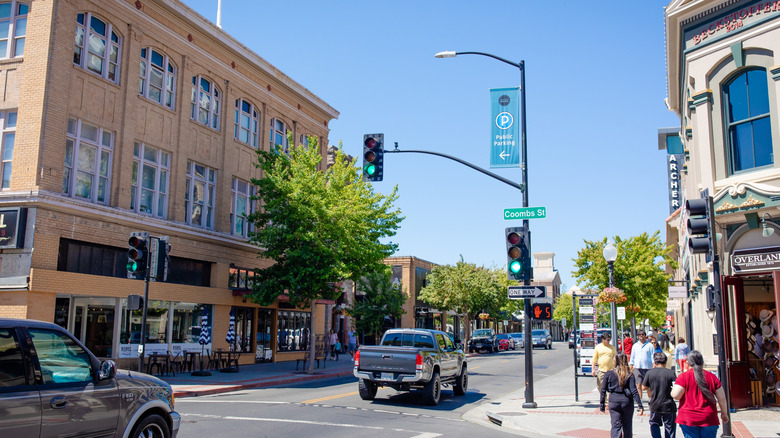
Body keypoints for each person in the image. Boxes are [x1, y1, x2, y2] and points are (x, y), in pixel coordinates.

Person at [672, 350, 729, 438]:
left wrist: (672, 390)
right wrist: (724, 413)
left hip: (689, 418)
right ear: (702, 362)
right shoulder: (712, 377)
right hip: (709, 417)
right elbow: (722, 398)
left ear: (688, 362)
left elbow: (676, 395)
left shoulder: (683, 377)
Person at [601, 352, 644, 438]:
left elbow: (603, 390)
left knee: (616, 426)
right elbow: (634, 390)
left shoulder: (609, 374)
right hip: (627, 402)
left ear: (615, 361)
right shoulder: (629, 374)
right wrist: (640, 405)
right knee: (627, 426)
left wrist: (602, 405)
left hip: (614, 401)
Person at [645, 352, 677, 438]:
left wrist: (649, 389)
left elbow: (644, 387)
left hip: (655, 404)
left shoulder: (649, 373)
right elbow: (675, 388)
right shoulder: (671, 373)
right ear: (665, 362)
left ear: (654, 362)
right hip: (668, 404)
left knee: (654, 423)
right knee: (669, 427)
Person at [629, 330, 655, 399]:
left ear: (645, 336)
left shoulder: (650, 345)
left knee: (648, 386)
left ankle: (651, 401)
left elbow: (653, 356)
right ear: (638, 336)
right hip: (638, 368)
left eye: (642, 334)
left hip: (648, 368)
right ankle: (640, 403)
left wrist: (654, 366)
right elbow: (632, 357)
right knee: (638, 385)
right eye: (639, 334)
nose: (641, 335)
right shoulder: (635, 346)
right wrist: (631, 366)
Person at [592, 332, 618, 399]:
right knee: (599, 385)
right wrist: (593, 369)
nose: (608, 341)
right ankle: (605, 397)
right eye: (607, 339)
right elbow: (594, 359)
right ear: (602, 339)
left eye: (609, 339)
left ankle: (608, 400)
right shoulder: (598, 347)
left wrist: (616, 368)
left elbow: (616, 358)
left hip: (611, 370)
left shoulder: (612, 347)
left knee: (610, 386)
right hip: (601, 370)